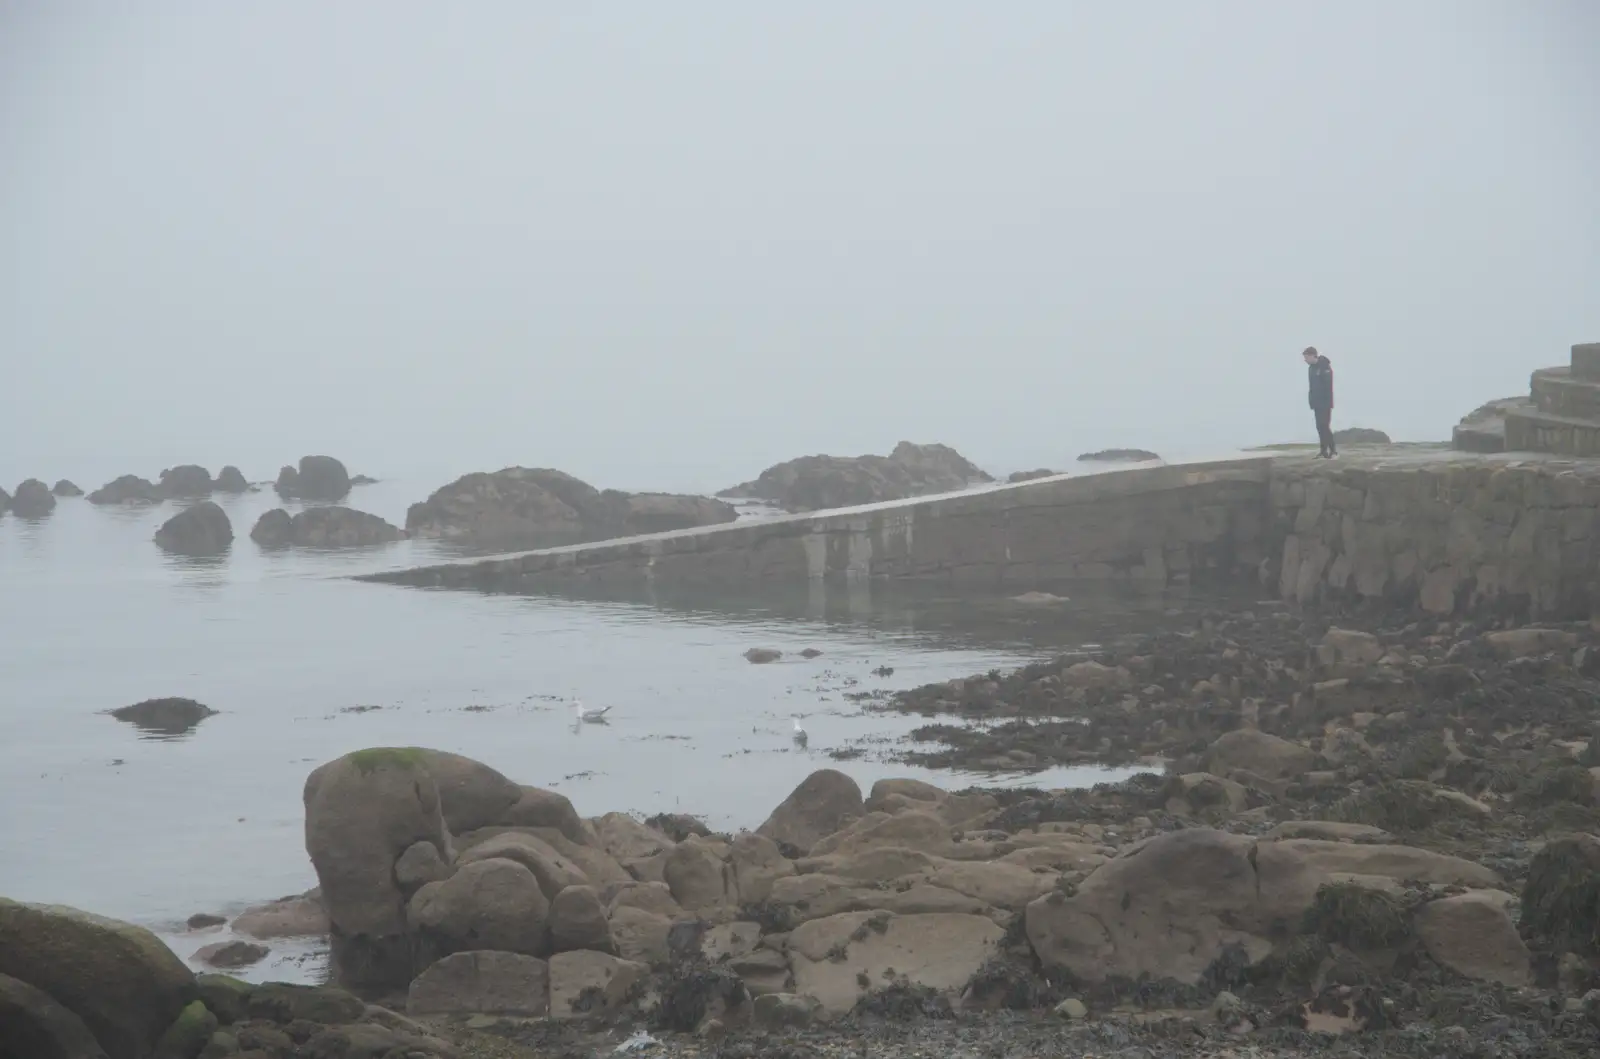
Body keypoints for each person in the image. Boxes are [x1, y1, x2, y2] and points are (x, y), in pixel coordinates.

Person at [1302, 346, 1336, 458]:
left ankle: (1333, 451)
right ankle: (1323, 451)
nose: (1305, 360)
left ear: (1312, 355)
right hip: (1316, 403)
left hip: (1325, 403)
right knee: (1319, 427)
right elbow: (1312, 387)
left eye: (1306, 357)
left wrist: (1326, 402)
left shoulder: (1324, 366)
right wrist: (1311, 401)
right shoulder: (1311, 369)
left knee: (1324, 426)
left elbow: (1327, 386)